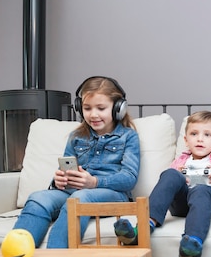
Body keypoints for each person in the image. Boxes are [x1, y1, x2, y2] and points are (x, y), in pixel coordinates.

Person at [12, 76, 141, 248]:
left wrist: (94, 182)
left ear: (118, 108)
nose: (93, 114)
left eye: (101, 108)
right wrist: (59, 181)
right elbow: (66, 169)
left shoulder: (128, 136)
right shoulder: (76, 136)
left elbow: (129, 178)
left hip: (112, 194)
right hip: (74, 192)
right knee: (37, 198)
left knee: (80, 198)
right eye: (87, 108)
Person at [121, 111, 211, 257]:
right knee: (169, 174)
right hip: (184, 203)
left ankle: (191, 247)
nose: (200, 139)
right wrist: (181, 177)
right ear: (186, 140)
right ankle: (144, 227)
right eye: (194, 134)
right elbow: (167, 187)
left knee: (201, 189)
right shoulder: (180, 162)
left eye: (207, 135)